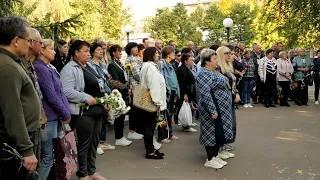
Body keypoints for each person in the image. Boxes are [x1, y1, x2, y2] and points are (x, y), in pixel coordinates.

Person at [61, 40, 107, 180]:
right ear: (76, 52)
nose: (88, 54)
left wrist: (106, 99)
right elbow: (66, 91)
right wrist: (86, 97)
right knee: (84, 144)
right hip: (84, 113)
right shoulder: (70, 68)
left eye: (88, 51)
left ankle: (91, 171)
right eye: (85, 51)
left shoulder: (88, 66)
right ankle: (83, 174)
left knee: (94, 143)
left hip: (97, 111)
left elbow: (99, 83)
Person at [0, 16, 39, 180]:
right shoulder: (7, 66)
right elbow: (13, 112)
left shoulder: (11, 62)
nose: (30, 44)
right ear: (16, 40)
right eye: (28, 40)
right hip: (11, 146)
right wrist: (26, 150)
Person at [34, 39, 71, 179]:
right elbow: (51, 96)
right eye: (51, 48)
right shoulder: (40, 67)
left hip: (54, 117)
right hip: (48, 118)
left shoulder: (48, 67)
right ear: (42, 50)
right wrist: (65, 113)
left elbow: (59, 92)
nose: (55, 51)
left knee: (53, 157)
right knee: (47, 159)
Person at [196, 49, 234, 169]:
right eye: (214, 59)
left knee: (219, 133)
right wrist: (212, 110)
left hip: (222, 108)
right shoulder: (203, 73)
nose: (217, 60)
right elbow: (205, 94)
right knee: (210, 133)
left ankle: (215, 155)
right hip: (213, 109)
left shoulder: (213, 70)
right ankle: (210, 158)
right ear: (207, 61)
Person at [19, 28, 47, 162]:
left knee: (38, 162)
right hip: (26, 127)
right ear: (30, 43)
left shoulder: (31, 63)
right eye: (40, 42)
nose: (42, 45)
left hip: (37, 123)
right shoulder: (18, 65)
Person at [138, 47, 166, 159]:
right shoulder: (151, 68)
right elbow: (153, 86)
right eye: (156, 53)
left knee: (149, 126)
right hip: (150, 101)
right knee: (149, 127)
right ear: (151, 55)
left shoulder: (146, 66)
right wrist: (157, 102)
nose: (158, 55)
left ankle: (151, 149)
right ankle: (149, 151)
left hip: (146, 100)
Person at [88, 42, 114, 155]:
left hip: (104, 90)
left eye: (102, 50)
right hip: (95, 93)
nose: (101, 51)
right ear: (92, 51)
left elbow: (106, 77)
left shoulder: (102, 63)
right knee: (97, 117)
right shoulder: (89, 64)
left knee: (104, 116)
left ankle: (102, 141)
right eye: (98, 49)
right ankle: (96, 143)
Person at [108, 45, 132, 146]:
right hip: (118, 93)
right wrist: (125, 87)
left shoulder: (119, 63)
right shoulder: (112, 65)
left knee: (122, 115)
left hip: (124, 91)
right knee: (119, 115)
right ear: (113, 53)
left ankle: (121, 135)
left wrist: (128, 86)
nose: (121, 53)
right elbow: (115, 80)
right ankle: (118, 137)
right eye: (119, 51)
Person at [158, 46, 180, 143]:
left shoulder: (170, 64)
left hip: (172, 90)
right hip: (166, 91)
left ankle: (169, 133)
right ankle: (162, 135)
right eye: (173, 53)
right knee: (163, 114)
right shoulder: (162, 63)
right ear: (168, 54)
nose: (174, 55)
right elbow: (161, 78)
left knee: (169, 113)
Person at [125, 42, 144, 140]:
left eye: (137, 47)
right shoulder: (131, 59)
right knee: (135, 110)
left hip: (135, 87)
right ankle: (132, 131)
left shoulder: (132, 58)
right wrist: (145, 82)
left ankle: (135, 130)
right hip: (136, 87)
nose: (136, 49)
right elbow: (137, 74)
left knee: (136, 110)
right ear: (130, 49)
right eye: (134, 48)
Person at [175, 53, 197, 132]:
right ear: (185, 61)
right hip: (185, 91)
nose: (192, 62)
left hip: (187, 90)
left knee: (186, 108)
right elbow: (183, 83)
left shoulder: (186, 68)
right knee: (183, 109)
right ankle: (186, 125)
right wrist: (185, 94)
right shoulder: (183, 69)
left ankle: (187, 124)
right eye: (190, 60)